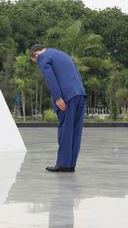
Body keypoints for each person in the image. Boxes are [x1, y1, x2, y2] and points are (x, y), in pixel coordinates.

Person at [30, 44, 86, 172]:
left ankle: (63, 164)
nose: (37, 63)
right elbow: (77, 75)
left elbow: (50, 78)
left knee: (65, 131)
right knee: (76, 131)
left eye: (34, 61)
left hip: (66, 97)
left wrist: (57, 97)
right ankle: (71, 164)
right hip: (80, 94)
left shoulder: (42, 57)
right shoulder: (63, 54)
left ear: (35, 54)